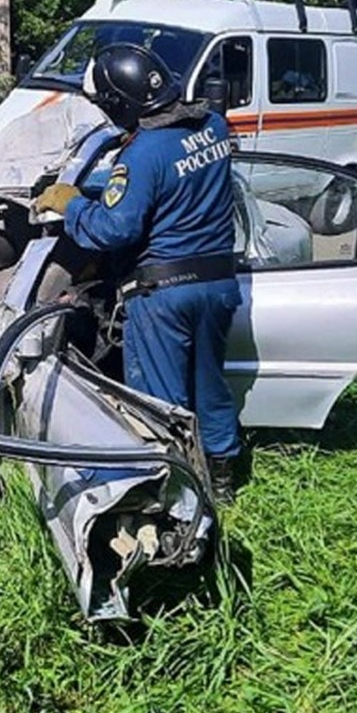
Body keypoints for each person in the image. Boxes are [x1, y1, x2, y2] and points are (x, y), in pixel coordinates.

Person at [33, 43, 242, 504]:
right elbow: (170, 186)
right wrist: (96, 190)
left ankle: (174, 499)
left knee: (157, 404)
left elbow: (115, 228)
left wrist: (71, 205)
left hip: (162, 294)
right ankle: (224, 480)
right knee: (210, 384)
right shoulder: (212, 126)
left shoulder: (142, 152)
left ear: (118, 103)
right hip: (218, 285)